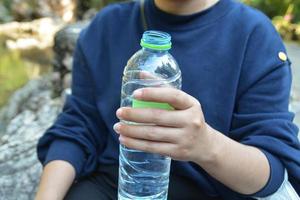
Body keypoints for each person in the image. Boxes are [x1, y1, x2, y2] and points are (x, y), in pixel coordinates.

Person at [35, 0, 300, 199]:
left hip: (214, 191)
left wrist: (206, 145)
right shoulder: (104, 28)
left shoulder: (253, 35)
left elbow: (273, 171)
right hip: (117, 185)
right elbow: (77, 127)